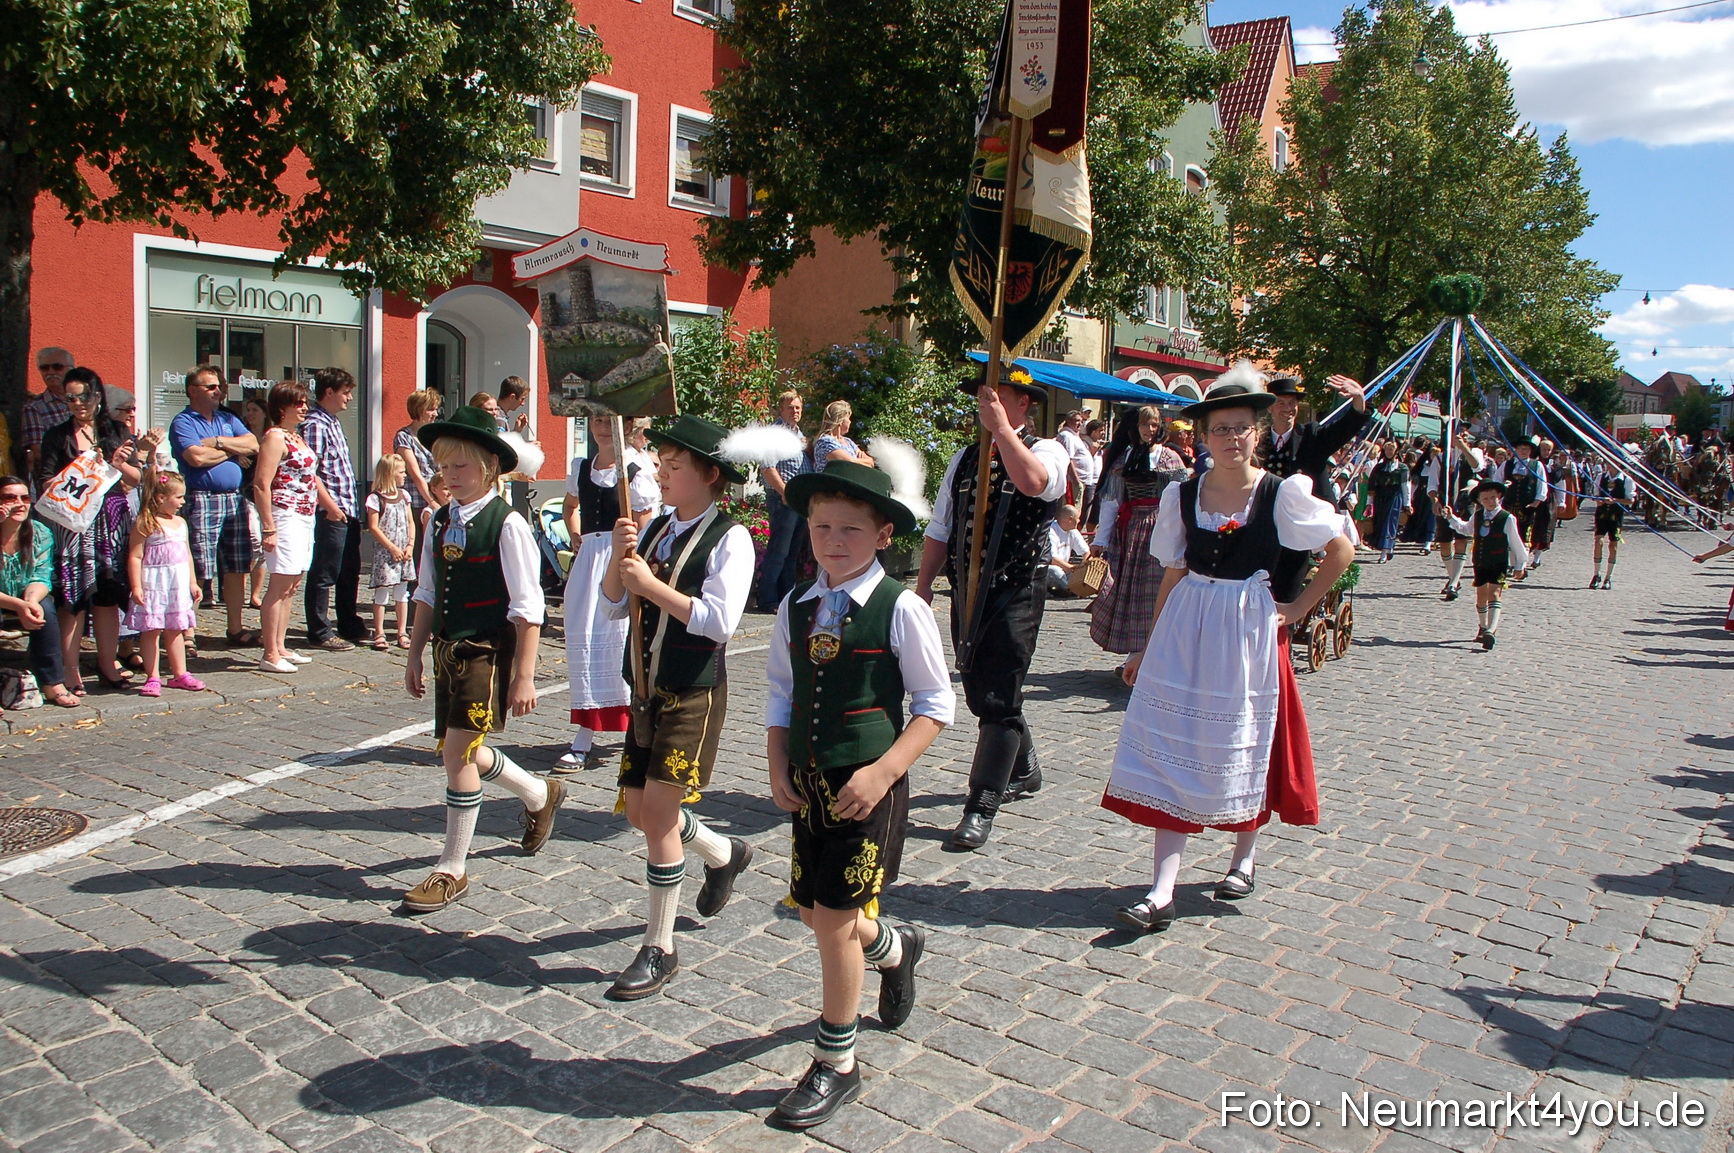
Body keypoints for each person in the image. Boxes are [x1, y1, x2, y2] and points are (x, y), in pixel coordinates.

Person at [1102, 368, 1353, 934]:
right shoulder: (1182, 493)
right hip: (1190, 622)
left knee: (1245, 738)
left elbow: (1340, 551)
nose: (1231, 438)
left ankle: (1243, 859)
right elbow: (1172, 571)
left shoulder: (1282, 492)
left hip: (1248, 630)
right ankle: (1162, 889)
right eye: (1221, 429)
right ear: (1204, 436)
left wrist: (1298, 609)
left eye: (1241, 429)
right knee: (1176, 744)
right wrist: (1147, 645)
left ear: (1257, 433)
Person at [763, 460, 953, 1129]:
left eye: (850, 527)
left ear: (881, 535)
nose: (833, 538)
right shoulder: (797, 604)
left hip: (867, 788)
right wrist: (776, 761)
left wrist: (883, 772)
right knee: (820, 914)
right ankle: (896, 950)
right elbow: (781, 691)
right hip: (810, 782)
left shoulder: (901, 607)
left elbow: (934, 704)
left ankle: (837, 1061)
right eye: (821, 526)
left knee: (835, 921)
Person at [600, 415, 756, 1000]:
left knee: (659, 818)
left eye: (674, 466)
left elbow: (719, 622)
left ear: (709, 475)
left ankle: (659, 947)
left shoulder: (730, 538)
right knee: (640, 812)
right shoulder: (658, 528)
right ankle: (723, 852)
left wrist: (651, 586)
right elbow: (616, 608)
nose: (660, 474)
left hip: (692, 690)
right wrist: (622, 566)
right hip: (645, 688)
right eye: (659, 463)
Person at [403, 405, 561, 913]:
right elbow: (427, 591)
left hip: (487, 651)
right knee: (460, 751)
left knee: (457, 755)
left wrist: (524, 676)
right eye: (443, 466)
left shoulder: (508, 523)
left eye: (460, 467)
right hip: (448, 649)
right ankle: (538, 793)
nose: (449, 476)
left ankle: (452, 867)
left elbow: (527, 607)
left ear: (490, 467)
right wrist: (413, 653)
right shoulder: (439, 519)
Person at [915, 364, 1068, 852]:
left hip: (1017, 587)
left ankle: (981, 804)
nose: (988, 401)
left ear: (1024, 403)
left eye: (1000, 395)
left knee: (999, 694)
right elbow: (941, 526)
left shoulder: (1048, 450)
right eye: (986, 396)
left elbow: (1032, 483)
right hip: (967, 588)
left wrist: (1002, 430)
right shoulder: (964, 457)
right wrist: (922, 586)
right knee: (981, 688)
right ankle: (1023, 766)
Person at [558, 415, 659, 771]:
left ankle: (638, 729)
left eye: (610, 422)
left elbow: (648, 522)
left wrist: (635, 559)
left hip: (619, 559)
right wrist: (576, 537)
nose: (603, 428)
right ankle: (584, 733)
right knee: (584, 642)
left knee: (620, 643)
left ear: (626, 426)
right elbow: (570, 507)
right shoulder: (582, 467)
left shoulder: (635, 470)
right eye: (597, 421)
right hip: (588, 561)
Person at [40, 370, 150, 693]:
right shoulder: (57, 436)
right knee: (73, 599)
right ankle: (70, 669)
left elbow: (135, 479)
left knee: (107, 596)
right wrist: (85, 468)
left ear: (97, 397)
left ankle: (107, 664)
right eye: (69, 398)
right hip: (75, 525)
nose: (77, 405)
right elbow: (46, 482)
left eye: (82, 397)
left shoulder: (115, 431)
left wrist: (115, 464)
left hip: (110, 524)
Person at [170, 365, 262, 647]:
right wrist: (231, 451)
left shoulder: (226, 419)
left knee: (237, 565)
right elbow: (195, 458)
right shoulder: (183, 422)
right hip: (202, 498)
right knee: (198, 567)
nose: (218, 391)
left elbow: (253, 444)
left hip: (234, 499)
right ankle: (187, 633)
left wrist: (219, 443)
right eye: (210, 386)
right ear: (192, 390)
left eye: (219, 386)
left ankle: (235, 628)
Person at [1089, 406, 1189, 653]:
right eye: (1145, 425)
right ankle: (1135, 651)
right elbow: (1111, 501)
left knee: (1156, 589)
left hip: (1161, 527)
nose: (1149, 430)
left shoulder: (1170, 458)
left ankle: (1157, 650)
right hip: (1130, 531)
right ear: (1136, 428)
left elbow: (1182, 500)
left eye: (1154, 425)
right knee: (1128, 590)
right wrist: (1100, 540)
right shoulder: (1125, 458)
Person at [254, 380, 336, 673]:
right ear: (281, 406)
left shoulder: (297, 436)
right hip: (284, 514)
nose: (304, 408)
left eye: (305, 402)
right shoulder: (275, 438)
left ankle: (280, 645)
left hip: (304, 515)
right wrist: (268, 526)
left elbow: (311, 477)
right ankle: (269, 653)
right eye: (298, 403)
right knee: (279, 583)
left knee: (293, 583)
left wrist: (330, 506)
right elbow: (262, 483)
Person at [300, 367, 366, 650]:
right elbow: (310, 472)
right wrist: (330, 507)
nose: (349, 398)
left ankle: (348, 622)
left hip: (348, 509)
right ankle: (319, 630)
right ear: (329, 392)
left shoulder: (333, 422)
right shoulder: (315, 424)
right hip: (331, 511)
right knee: (325, 571)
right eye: (345, 392)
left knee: (349, 570)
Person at [123, 471, 205, 696]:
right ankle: (153, 676)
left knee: (176, 629)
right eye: (178, 497)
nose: (183, 502)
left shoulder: (180, 523)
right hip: (155, 583)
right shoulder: (147, 523)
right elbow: (135, 556)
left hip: (176, 584)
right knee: (152, 630)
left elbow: (187, 554)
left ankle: (180, 673)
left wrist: (192, 581)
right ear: (161, 498)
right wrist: (137, 586)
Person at [0, 476, 79, 708]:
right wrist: (18, 606)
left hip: (24, 594)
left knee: (44, 608)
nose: (19, 504)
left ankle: (52, 683)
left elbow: (41, 576)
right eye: (9, 498)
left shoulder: (39, 532)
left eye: (25, 498)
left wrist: (30, 602)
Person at [1438, 478, 1529, 650]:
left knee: (1494, 594)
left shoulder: (1507, 518)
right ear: (1479, 501)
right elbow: (1465, 529)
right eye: (1485, 499)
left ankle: (1491, 631)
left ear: (1499, 497)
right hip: (1480, 561)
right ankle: (1482, 626)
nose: (1489, 501)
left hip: (1498, 562)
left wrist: (1520, 565)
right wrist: (1451, 518)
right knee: (1481, 597)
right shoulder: (1478, 516)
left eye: (1493, 497)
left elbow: (1516, 542)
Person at [756, 391, 813, 613]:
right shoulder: (774, 434)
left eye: (798, 407)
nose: (795, 411)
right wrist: (785, 493)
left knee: (792, 552)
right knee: (779, 551)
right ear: (780, 410)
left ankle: (786, 598)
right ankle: (768, 599)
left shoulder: (799, 435)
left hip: (798, 501)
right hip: (783, 500)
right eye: (790, 407)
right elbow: (768, 468)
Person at [364, 455, 416, 650]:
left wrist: (410, 545)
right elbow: (374, 526)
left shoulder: (404, 496)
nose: (404, 476)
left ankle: (401, 630)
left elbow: (410, 522)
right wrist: (391, 547)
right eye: (401, 472)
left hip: (404, 552)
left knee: (402, 593)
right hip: (386, 554)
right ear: (389, 474)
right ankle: (379, 631)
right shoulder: (375, 499)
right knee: (382, 592)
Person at [1426, 432, 1485, 601]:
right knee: (1445, 545)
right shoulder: (1441, 458)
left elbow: (1477, 466)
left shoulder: (1474, 452)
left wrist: (1463, 448)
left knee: (1461, 540)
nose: (1463, 438)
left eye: (1466, 436)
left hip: (1466, 501)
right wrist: (1435, 500)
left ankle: (1453, 583)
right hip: (1446, 502)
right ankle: (1454, 577)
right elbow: (1432, 483)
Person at [394, 388, 443, 569]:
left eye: (436, 408)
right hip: (416, 500)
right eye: (431, 409)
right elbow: (416, 474)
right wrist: (430, 501)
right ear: (419, 409)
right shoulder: (404, 437)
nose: (435, 413)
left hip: (437, 497)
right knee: (419, 551)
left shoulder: (433, 436)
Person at [21, 347, 74, 490]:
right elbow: (39, 452)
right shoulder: (35, 408)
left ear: (71, 369)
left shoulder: (85, 402)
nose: (50, 372)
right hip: (57, 484)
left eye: (57, 367)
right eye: (44, 368)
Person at [241, 396, 271, 609]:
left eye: (255, 410)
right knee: (252, 542)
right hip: (245, 495)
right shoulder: (241, 435)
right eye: (248, 410)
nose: (250, 414)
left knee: (262, 546)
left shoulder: (271, 437)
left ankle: (255, 593)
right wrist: (234, 456)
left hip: (265, 498)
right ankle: (240, 592)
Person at [1365, 440, 1410, 563]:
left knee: (1389, 523)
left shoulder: (1402, 468)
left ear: (1396, 451)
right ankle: (1388, 547)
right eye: (1387, 449)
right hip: (1380, 497)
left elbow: (1405, 486)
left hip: (1394, 497)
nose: (1389, 452)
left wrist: (1407, 503)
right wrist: (1369, 502)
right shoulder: (1379, 468)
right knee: (1380, 522)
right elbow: (1372, 486)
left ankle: (1384, 552)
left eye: (1391, 449)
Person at [1593, 464, 1632, 590]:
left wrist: (1615, 500)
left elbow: (1630, 500)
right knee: (1598, 542)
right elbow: (1595, 495)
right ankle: (1596, 574)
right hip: (1602, 514)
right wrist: (1599, 500)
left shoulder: (1626, 480)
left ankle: (1608, 577)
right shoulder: (1601, 477)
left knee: (1613, 545)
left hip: (1616, 516)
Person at [813, 401, 876, 468]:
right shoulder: (824, 442)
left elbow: (871, 462)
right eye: (848, 418)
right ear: (840, 419)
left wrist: (858, 461)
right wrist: (861, 461)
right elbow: (848, 463)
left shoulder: (848, 442)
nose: (850, 421)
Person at [1045, 504, 1089, 596]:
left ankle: (1070, 589)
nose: (1079, 521)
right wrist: (1073, 569)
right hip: (1050, 568)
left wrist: (1086, 567)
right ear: (1070, 519)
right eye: (1078, 518)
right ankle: (1070, 590)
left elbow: (1086, 552)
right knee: (1055, 571)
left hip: (1066, 571)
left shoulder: (1073, 531)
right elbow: (1053, 559)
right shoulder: (1051, 531)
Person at [1056, 409, 1093, 505]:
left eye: (1081, 421)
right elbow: (1068, 460)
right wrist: (1077, 482)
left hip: (1084, 482)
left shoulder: (1074, 435)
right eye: (1077, 421)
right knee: (1073, 512)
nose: (1080, 424)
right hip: (1074, 482)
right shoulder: (1066, 436)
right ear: (1069, 421)